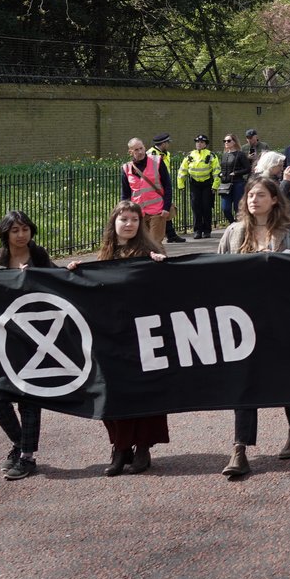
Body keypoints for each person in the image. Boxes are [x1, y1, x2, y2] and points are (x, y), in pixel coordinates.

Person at [68, 202, 170, 475]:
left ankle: (143, 448)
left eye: (134, 219)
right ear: (113, 223)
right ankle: (120, 447)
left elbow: (166, 289)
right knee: (111, 391)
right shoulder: (104, 255)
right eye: (123, 219)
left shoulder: (151, 251)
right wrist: (76, 271)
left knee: (144, 390)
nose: (129, 224)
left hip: (143, 333)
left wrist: (162, 267)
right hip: (111, 333)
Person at [217, 178, 290, 477]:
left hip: (280, 315)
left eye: (260, 195)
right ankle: (239, 448)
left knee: (287, 377)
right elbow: (213, 271)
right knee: (243, 382)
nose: (253, 199)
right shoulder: (233, 233)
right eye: (250, 195)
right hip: (242, 320)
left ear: (274, 199)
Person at [0, 211, 54, 479]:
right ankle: (19, 442)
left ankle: (26, 457)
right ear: (5, 234)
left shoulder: (40, 257)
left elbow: (61, 286)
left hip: (35, 340)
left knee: (28, 398)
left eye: (25, 229)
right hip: (3, 342)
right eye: (15, 230)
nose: (21, 235)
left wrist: (35, 277)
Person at [120, 137, 173, 248]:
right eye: (136, 150)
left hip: (157, 211)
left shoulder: (157, 161)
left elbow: (168, 186)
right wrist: (125, 212)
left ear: (144, 147)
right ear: (130, 152)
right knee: (141, 245)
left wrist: (166, 208)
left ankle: (159, 264)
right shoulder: (126, 168)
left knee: (155, 244)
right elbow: (125, 194)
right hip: (138, 213)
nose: (140, 152)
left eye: (141, 148)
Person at [178, 135, 220, 239]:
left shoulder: (211, 155)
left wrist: (215, 186)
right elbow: (182, 170)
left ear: (205, 144)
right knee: (196, 207)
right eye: (197, 142)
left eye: (201, 142)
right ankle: (197, 231)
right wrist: (181, 184)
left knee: (206, 207)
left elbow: (216, 171)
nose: (199, 144)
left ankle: (207, 230)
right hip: (194, 184)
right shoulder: (190, 155)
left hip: (207, 184)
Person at [147, 134, 187, 243]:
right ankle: (167, 235)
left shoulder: (165, 154)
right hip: (156, 187)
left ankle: (171, 234)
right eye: (167, 143)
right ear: (163, 143)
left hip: (164, 185)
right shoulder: (152, 154)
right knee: (162, 210)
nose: (169, 145)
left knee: (166, 209)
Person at [217, 134, 252, 226]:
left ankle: (240, 226)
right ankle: (233, 224)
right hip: (225, 184)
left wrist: (236, 173)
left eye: (228, 141)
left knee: (238, 208)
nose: (226, 143)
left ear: (234, 142)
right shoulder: (224, 155)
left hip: (238, 184)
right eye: (224, 141)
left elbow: (247, 169)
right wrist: (220, 174)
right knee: (225, 208)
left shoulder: (240, 154)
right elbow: (223, 168)